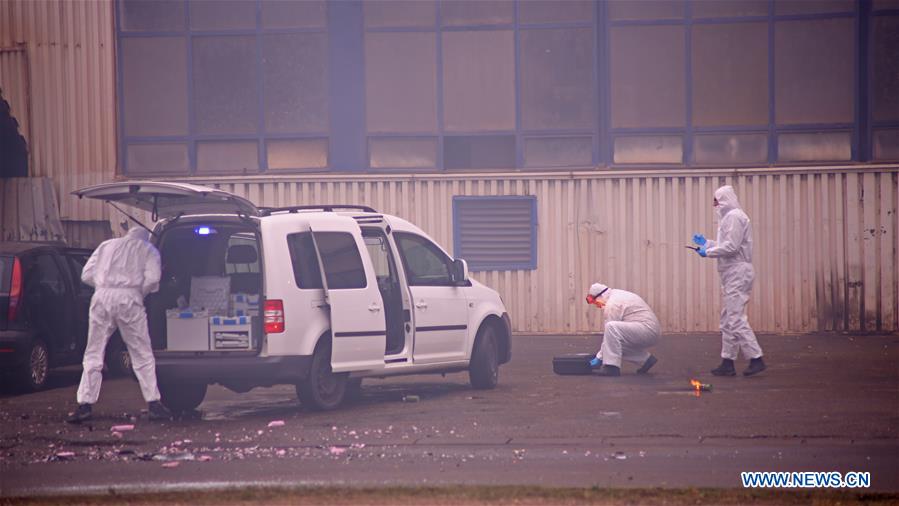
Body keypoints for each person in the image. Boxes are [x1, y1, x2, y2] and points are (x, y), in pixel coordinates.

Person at [67, 226, 171, 423]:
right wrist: (139, 293)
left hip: (101, 297)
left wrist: (103, 285)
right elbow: (153, 278)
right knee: (141, 352)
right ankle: (154, 403)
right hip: (130, 299)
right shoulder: (148, 249)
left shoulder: (106, 245)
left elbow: (86, 275)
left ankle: (85, 405)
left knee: (94, 351)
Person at [692, 185, 766, 377]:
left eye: (717, 200)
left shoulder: (734, 217)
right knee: (727, 319)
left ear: (725, 199)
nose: (715, 204)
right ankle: (728, 361)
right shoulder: (729, 218)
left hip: (737, 272)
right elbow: (728, 244)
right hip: (732, 272)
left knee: (735, 318)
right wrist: (706, 243)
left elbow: (732, 247)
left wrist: (707, 252)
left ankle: (756, 357)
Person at [585, 282, 660, 377]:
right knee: (613, 344)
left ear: (601, 295)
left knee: (611, 328)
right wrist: (602, 354)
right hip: (649, 330)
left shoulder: (613, 304)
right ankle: (645, 360)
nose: (597, 305)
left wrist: (599, 358)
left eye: (596, 302)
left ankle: (611, 367)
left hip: (647, 330)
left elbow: (609, 333)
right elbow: (610, 342)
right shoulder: (617, 294)